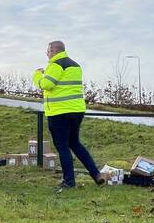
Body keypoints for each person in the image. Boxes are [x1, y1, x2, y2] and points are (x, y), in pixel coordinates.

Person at [32, 40, 103, 189]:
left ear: (53, 51)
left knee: (63, 147)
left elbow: (46, 85)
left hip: (59, 112)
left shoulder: (55, 65)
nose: (46, 53)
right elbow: (61, 82)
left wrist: (37, 75)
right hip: (77, 111)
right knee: (75, 143)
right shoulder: (75, 65)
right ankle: (96, 174)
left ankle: (69, 181)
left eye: (48, 51)